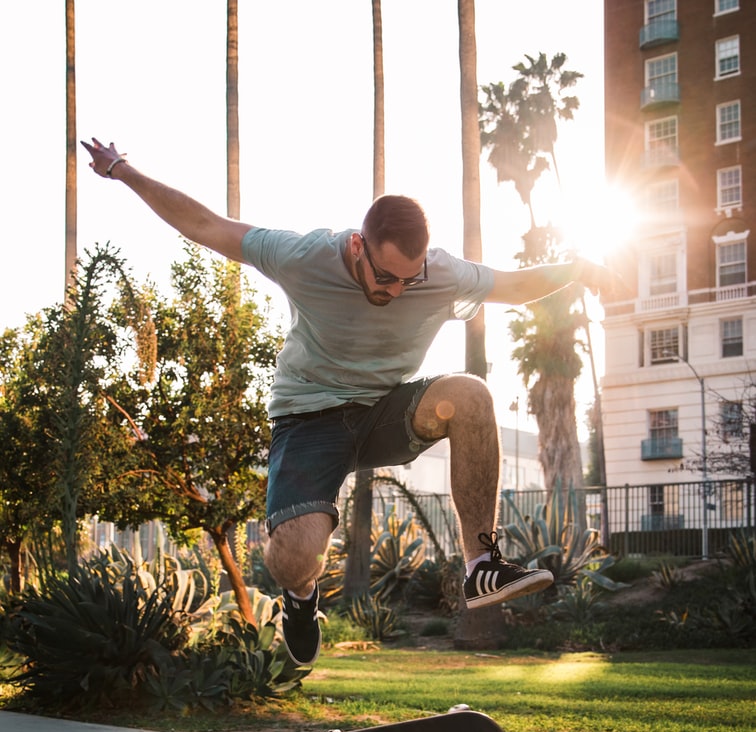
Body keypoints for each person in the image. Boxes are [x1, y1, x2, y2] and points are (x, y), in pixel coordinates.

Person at [82, 137, 614, 666]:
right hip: (307, 418)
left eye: (410, 280)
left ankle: (482, 567)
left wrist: (578, 269)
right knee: (294, 556)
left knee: (470, 395)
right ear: (359, 246)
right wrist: (124, 171)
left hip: (385, 411)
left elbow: (513, 285)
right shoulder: (304, 256)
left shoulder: (441, 273)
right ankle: (300, 596)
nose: (396, 292)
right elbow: (207, 226)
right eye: (385, 278)